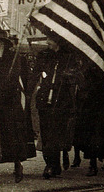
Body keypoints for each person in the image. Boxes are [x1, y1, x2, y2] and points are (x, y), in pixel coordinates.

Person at [0, 28, 36, 183]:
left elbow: (23, 80)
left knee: (12, 135)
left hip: (10, 101)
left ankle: (17, 165)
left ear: (2, 43)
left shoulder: (14, 59)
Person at [33, 35, 79, 178]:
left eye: (51, 39)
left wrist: (68, 76)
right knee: (46, 135)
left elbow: (76, 76)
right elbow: (36, 73)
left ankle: (51, 165)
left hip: (61, 101)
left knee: (55, 134)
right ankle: (53, 163)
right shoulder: (44, 55)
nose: (48, 42)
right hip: (45, 99)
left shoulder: (69, 57)